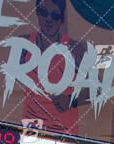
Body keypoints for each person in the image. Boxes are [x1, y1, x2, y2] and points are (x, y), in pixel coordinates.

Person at [21, 0, 87, 135]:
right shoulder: (24, 44)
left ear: (61, 19)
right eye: (44, 13)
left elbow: (98, 89)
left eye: (55, 15)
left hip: (66, 135)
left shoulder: (76, 49)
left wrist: (70, 100)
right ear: (37, 13)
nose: (49, 19)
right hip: (31, 130)